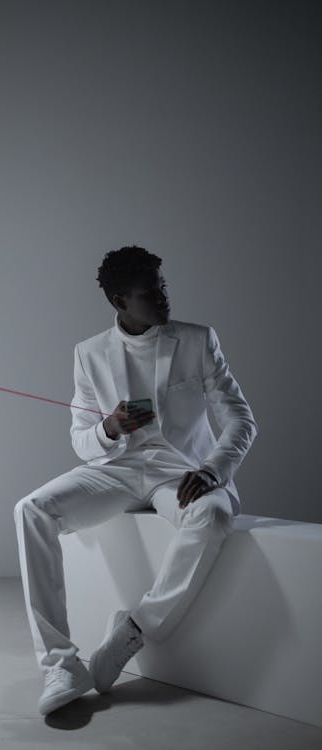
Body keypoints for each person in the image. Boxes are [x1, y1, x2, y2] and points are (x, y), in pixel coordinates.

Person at [14, 245, 258, 716]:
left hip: (180, 473)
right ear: (120, 301)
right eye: (151, 293)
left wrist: (211, 469)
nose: (164, 299)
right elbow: (80, 440)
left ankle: (134, 630)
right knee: (31, 510)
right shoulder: (89, 354)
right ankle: (61, 664)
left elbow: (242, 419)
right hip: (117, 471)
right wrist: (108, 428)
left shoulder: (197, 340)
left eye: (163, 287)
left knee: (212, 514)